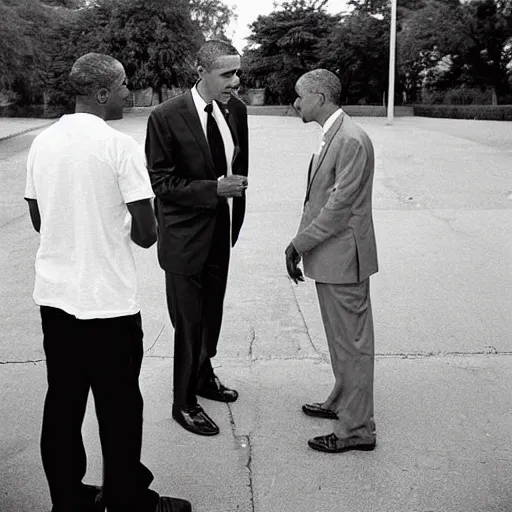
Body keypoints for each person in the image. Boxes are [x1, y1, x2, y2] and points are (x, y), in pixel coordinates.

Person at [24, 52, 191, 512]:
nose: (126, 92)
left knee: (63, 404)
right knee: (119, 410)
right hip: (109, 304)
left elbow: (40, 218)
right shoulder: (119, 146)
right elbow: (145, 234)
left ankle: (68, 500)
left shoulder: (43, 142)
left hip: (56, 300)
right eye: (121, 85)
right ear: (101, 94)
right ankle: (128, 501)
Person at [144, 40, 249, 437]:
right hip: (184, 237)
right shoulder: (166, 116)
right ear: (200, 71)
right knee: (188, 323)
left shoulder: (236, 110)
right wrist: (213, 190)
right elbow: (161, 182)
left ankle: (204, 377)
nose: (235, 82)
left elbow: (239, 166)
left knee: (211, 315)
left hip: (220, 231)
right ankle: (183, 402)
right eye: (226, 74)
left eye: (237, 72)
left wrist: (231, 211)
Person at [286, 69, 378, 454]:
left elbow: (338, 207)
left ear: (320, 98)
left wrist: (297, 244)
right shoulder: (334, 134)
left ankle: (357, 430)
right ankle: (342, 401)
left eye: (299, 97)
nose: (295, 103)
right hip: (331, 258)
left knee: (353, 345)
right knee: (341, 342)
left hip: (343, 259)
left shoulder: (351, 139)